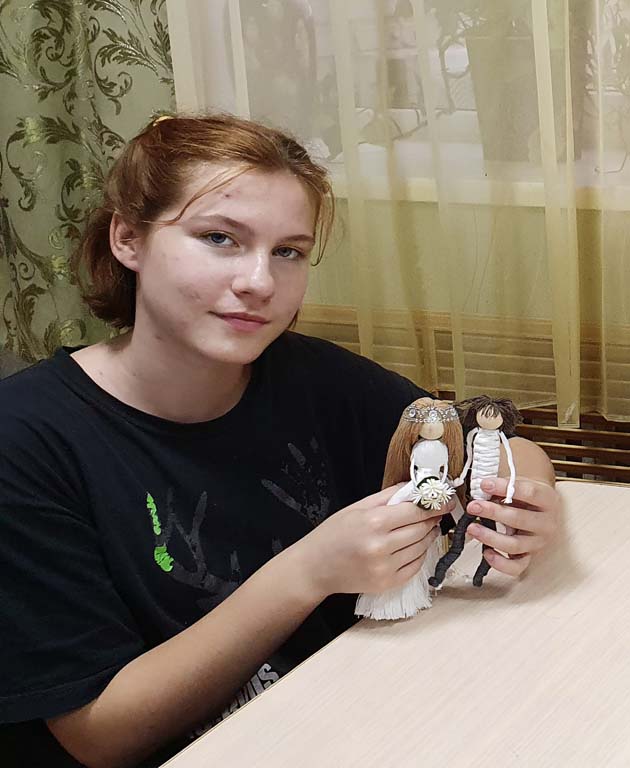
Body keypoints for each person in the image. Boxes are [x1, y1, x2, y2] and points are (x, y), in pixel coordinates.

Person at [0, 114, 559, 768]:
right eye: (219, 239)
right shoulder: (26, 440)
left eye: (288, 251)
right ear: (128, 238)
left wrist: (519, 496)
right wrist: (308, 572)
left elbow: (489, 438)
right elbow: (99, 734)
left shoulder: (310, 375)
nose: (260, 283)